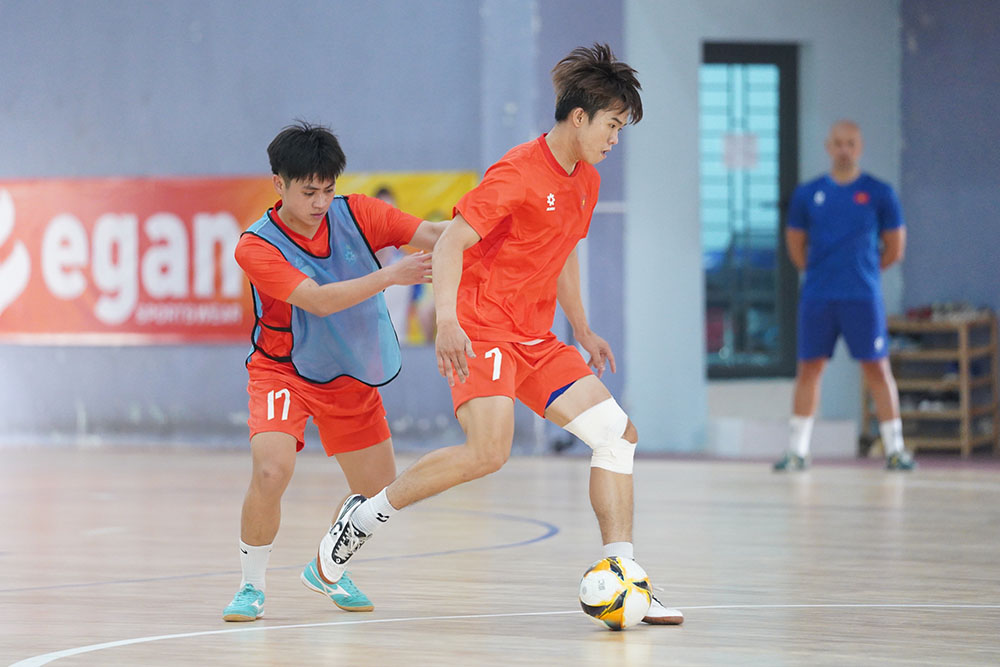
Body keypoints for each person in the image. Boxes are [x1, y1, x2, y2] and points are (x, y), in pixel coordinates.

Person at [312, 43, 683, 625]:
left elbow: (562, 253)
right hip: (482, 324)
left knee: (618, 435)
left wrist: (582, 327)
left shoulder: (585, 180)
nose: (616, 138)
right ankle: (362, 519)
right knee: (489, 453)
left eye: (622, 128)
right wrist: (449, 321)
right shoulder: (517, 171)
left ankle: (625, 576)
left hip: (535, 336)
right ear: (579, 117)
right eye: (612, 125)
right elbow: (455, 239)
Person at [222, 121, 447, 622]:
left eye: (328, 190)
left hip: (347, 371)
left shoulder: (360, 213)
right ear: (278, 184)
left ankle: (327, 566)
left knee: (378, 492)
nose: (321, 202)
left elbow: (433, 234)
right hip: (284, 371)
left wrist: (494, 222)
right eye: (308, 192)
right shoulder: (256, 246)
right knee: (270, 469)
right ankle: (250, 586)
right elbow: (318, 301)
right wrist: (392, 275)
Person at [773, 120, 915, 472]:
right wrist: (823, 273)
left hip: (862, 297)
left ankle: (895, 449)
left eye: (850, 143)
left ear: (860, 146)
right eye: (837, 143)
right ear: (828, 146)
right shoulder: (809, 194)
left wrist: (863, 272)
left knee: (878, 368)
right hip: (819, 297)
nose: (844, 149)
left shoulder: (880, 193)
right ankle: (797, 451)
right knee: (809, 369)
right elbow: (795, 246)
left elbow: (895, 248)